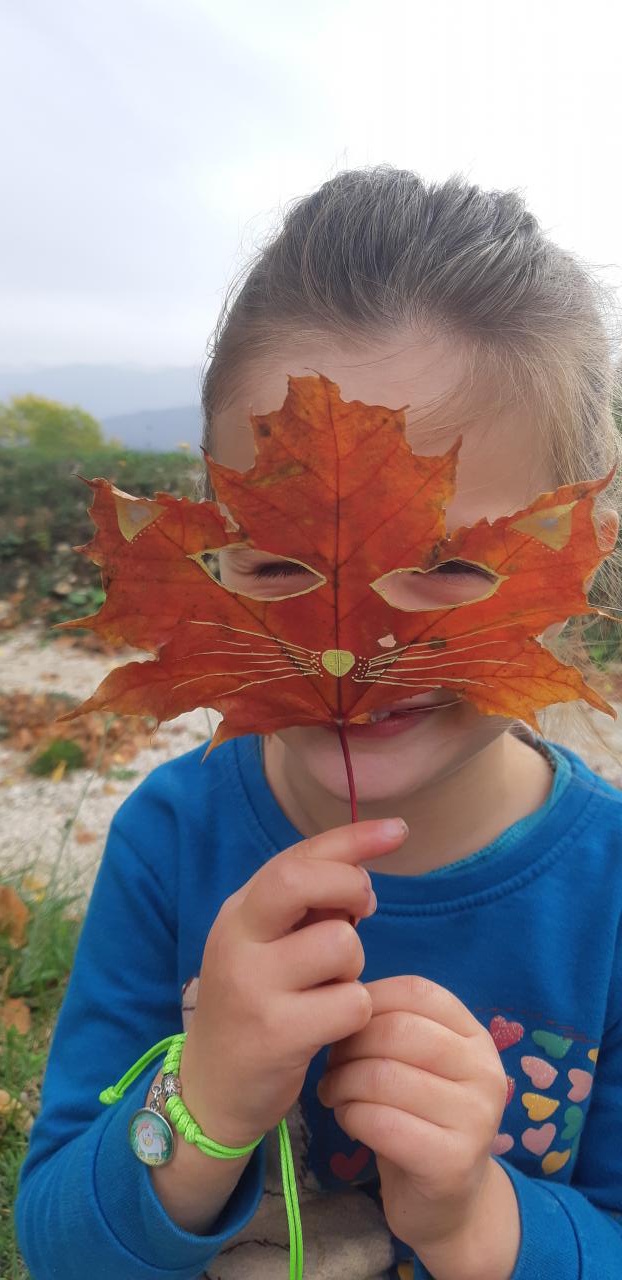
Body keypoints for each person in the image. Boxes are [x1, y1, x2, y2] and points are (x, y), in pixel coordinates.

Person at [15, 168, 622, 1280]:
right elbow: (58, 1244)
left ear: (578, 563)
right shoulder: (174, 839)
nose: (347, 643)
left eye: (450, 566)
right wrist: (202, 1105)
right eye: (278, 563)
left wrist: (477, 1219)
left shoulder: (610, 895)